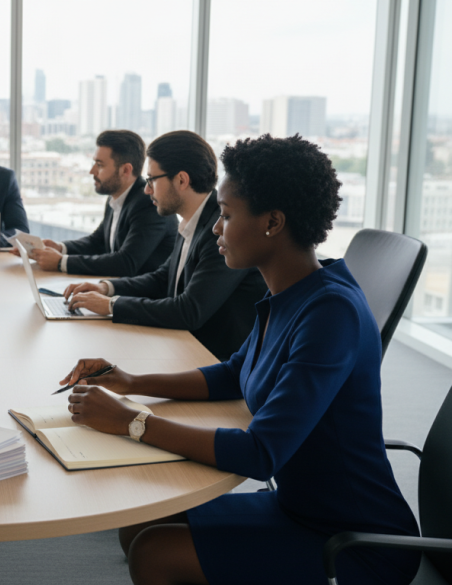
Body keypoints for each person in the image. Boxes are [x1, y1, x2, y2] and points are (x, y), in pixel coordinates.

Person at [61, 134, 420, 585]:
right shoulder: (288, 293)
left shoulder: (332, 313)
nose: (215, 228)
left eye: (227, 216)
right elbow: (233, 373)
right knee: (139, 524)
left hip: (352, 540)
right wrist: (129, 381)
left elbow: (261, 453)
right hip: (298, 506)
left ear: (272, 222)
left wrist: (133, 423)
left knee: (154, 553)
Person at [63, 131, 266, 360]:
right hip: (182, 348)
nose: (147, 189)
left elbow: (189, 311)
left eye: (151, 180)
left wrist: (111, 305)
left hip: (213, 363)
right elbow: (162, 278)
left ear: (181, 180)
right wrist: (106, 288)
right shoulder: (193, 220)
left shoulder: (221, 229)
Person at [16, 130, 176, 276]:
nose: (92, 171)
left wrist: (60, 262)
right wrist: (60, 248)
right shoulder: (116, 198)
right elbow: (97, 242)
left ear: (126, 170)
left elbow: (126, 263)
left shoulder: (149, 204)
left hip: (143, 299)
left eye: (99, 165)